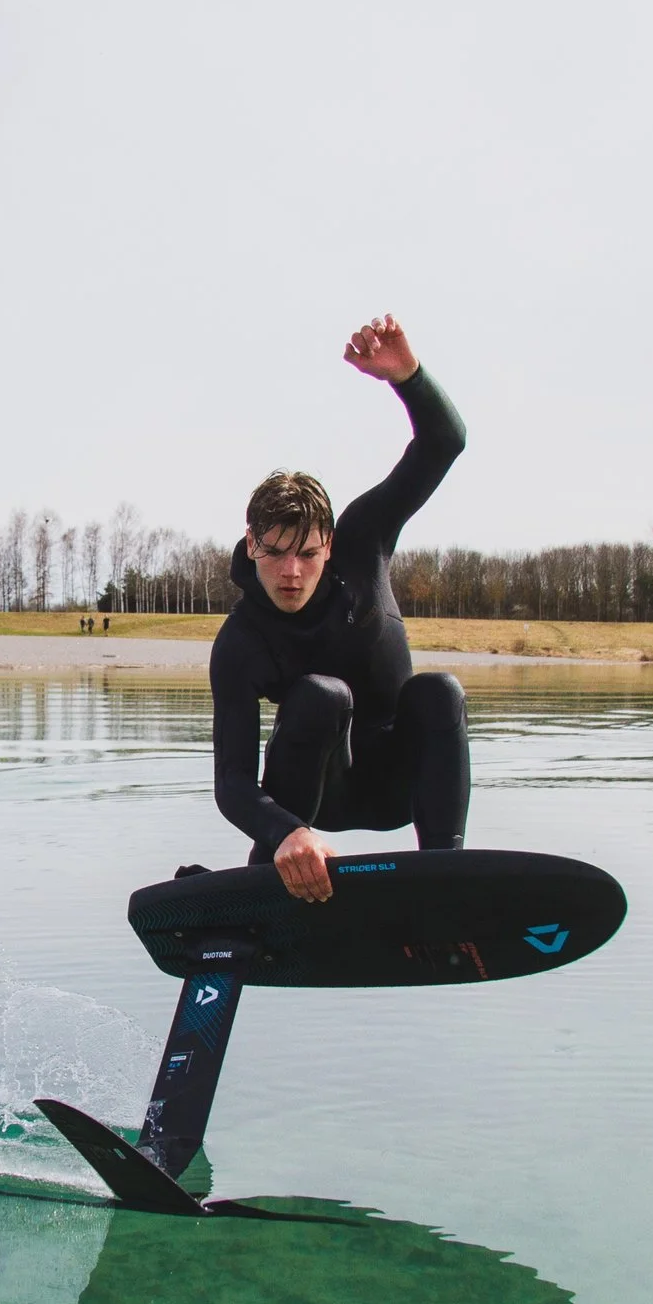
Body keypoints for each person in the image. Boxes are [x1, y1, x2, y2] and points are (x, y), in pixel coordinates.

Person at [212, 315, 469, 902]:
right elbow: (232, 785)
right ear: (251, 544)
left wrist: (407, 378)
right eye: (273, 554)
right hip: (319, 798)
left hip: (404, 786)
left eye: (306, 553)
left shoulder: (364, 539)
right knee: (321, 695)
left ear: (329, 545)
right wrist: (285, 831)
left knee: (439, 691)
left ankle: (447, 878)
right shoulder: (241, 640)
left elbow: (444, 443)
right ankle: (272, 876)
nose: (291, 573)